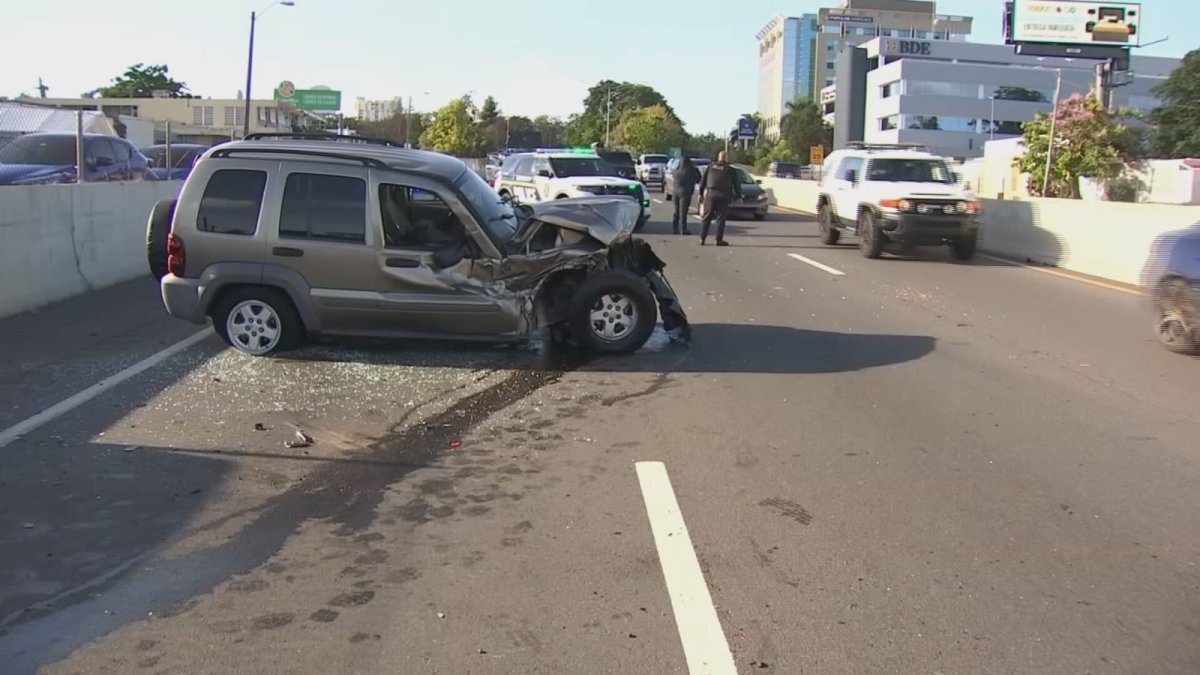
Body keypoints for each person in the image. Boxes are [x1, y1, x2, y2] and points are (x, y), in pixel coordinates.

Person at [698, 150, 742, 246]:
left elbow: (703, 181)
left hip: (711, 194)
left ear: (718, 158)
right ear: (726, 158)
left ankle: (702, 238)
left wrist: (700, 193)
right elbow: (736, 184)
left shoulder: (710, 167)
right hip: (724, 195)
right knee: (721, 218)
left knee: (707, 217)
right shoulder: (731, 170)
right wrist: (739, 195)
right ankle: (718, 239)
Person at [671, 156, 702, 235]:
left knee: (676, 211)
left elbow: (672, 175)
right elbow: (698, 178)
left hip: (675, 192)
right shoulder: (691, 171)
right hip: (686, 193)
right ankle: (683, 229)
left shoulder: (676, 171)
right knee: (683, 211)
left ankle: (675, 228)